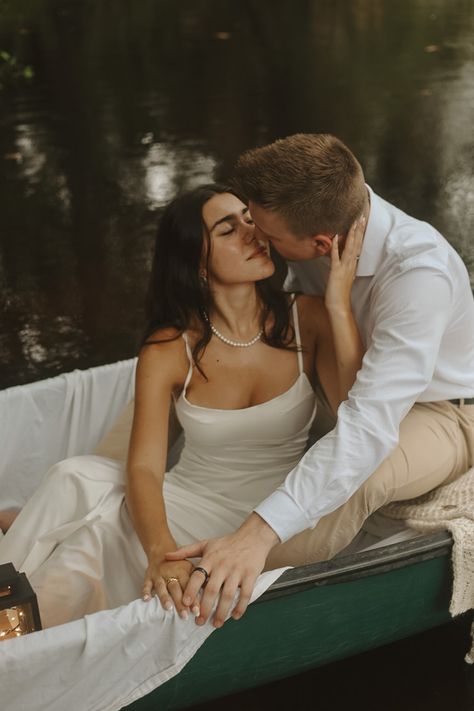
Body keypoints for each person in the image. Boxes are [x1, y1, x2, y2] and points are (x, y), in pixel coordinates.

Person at [0, 183, 364, 628]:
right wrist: (162, 552)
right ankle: (9, 612)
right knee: (70, 477)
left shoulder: (305, 319)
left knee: (92, 541)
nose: (253, 234)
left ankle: (16, 616)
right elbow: (146, 469)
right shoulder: (170, 348)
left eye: (250, 220)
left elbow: (357, 414)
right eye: (229, 229)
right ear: (198, 265)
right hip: (183, 496)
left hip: (262, 515)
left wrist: (339, 305)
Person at [168, 133, 474, 630]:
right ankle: (103, 488)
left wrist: (258, 533)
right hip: (341, 383)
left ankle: (214, 573)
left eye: (265, 231)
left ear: (320, 245)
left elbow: (368, 428)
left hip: (443, 412)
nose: (255, 237)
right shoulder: (315, 210)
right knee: (187, 357)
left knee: (362, 474)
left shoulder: (419, 274)